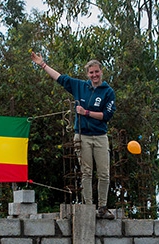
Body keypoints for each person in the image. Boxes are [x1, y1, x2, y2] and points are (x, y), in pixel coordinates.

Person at [30, 52, 117, 215]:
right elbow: (60, 78)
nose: (94, 75)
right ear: (87, 74)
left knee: (104, 172)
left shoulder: (108, 92)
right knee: (86, 172)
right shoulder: (79, 86)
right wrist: (43, 64)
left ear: (101, 72)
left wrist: (86, 113)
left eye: (96, 72)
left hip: (100, 136)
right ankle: (89, 207)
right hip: (82, 135)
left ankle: (103, 207)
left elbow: (107, 115)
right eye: (91, 72)